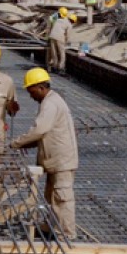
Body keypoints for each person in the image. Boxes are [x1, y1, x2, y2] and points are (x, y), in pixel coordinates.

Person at [11, 67, 78, 240]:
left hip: (61, 161)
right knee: (52, 197)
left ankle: (66, 235)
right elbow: (45, 134)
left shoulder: (50, 104)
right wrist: (28, 144)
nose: (31, 96)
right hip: (54, 160)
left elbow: (39, 130)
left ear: (41, 87)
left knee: (62, 198)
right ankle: (51, 227)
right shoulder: (50, 101)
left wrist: (16, 143)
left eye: (32, 92)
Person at [47, 8, 72, 74]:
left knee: (54, 52)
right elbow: (67, 35)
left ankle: (55, 66)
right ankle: (61, 67)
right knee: (62, 53)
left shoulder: (57, 19)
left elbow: (51, 21)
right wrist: (66, 42)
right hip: (60, 37)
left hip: (52, 36)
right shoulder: (68, 24)